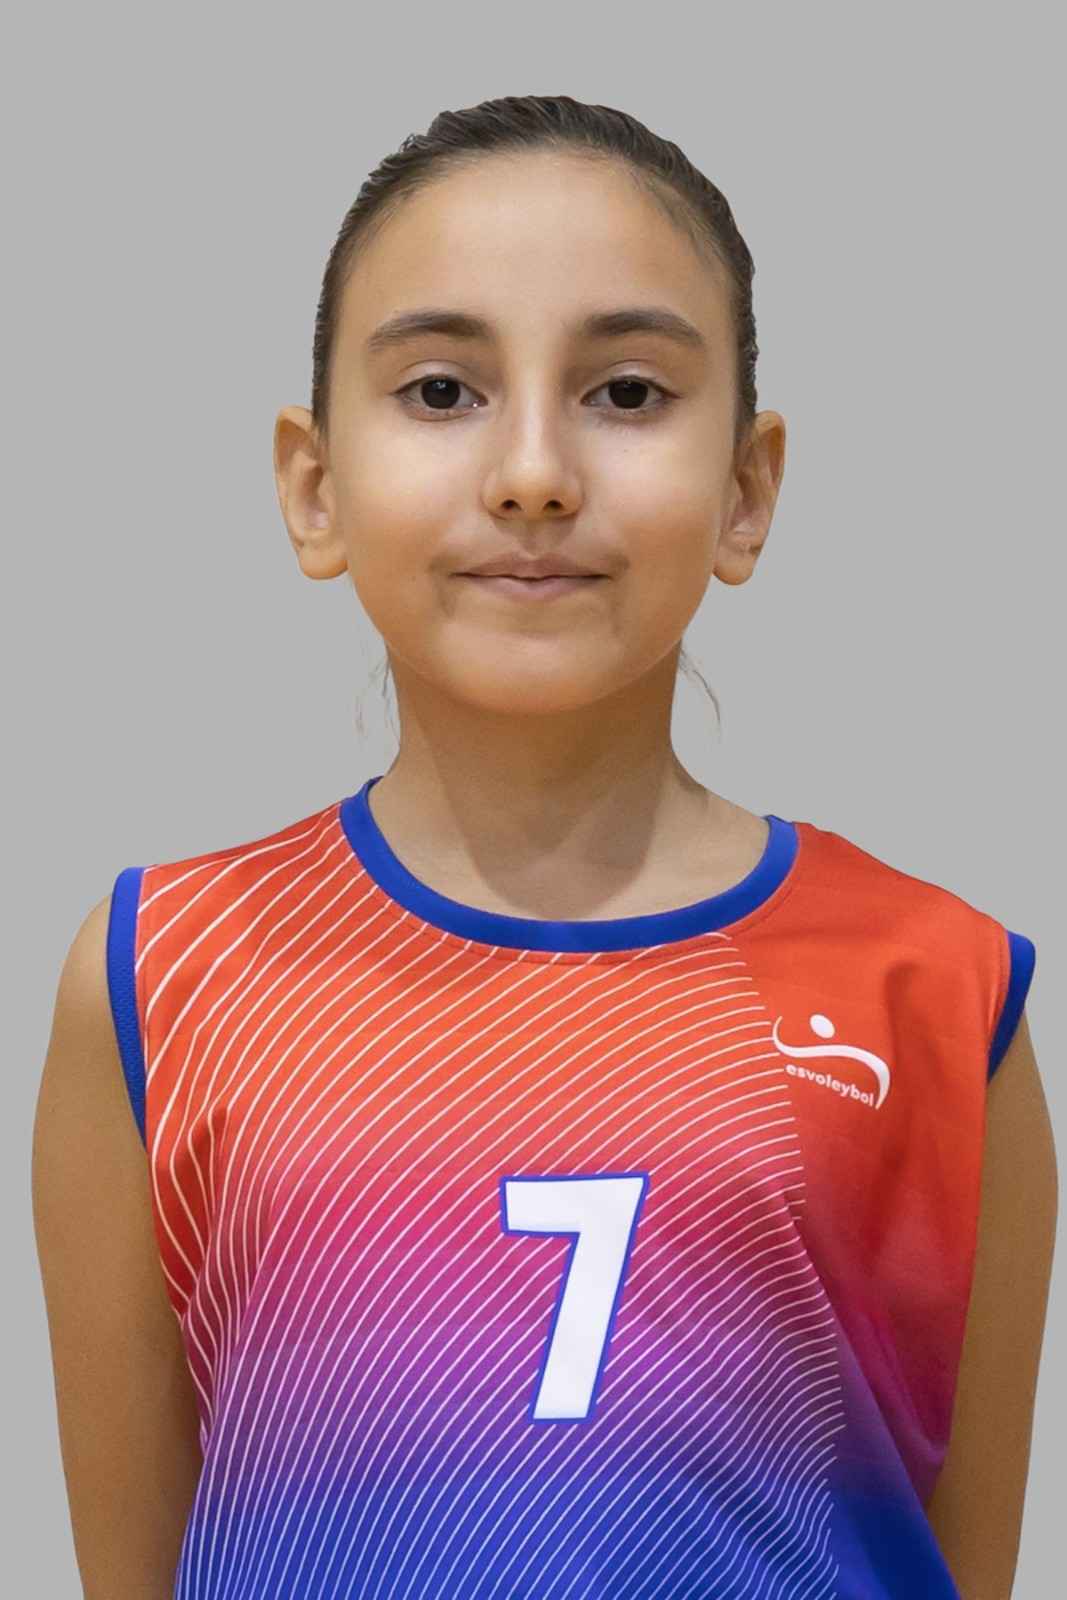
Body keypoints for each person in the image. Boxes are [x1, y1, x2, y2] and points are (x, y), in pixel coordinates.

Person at [32, 93, 1056, 1600]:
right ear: (314, 487)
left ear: (748, 489)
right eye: (442, 390)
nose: (532, 471)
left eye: (626, 392)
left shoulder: (945, 989)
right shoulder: (158, 972)